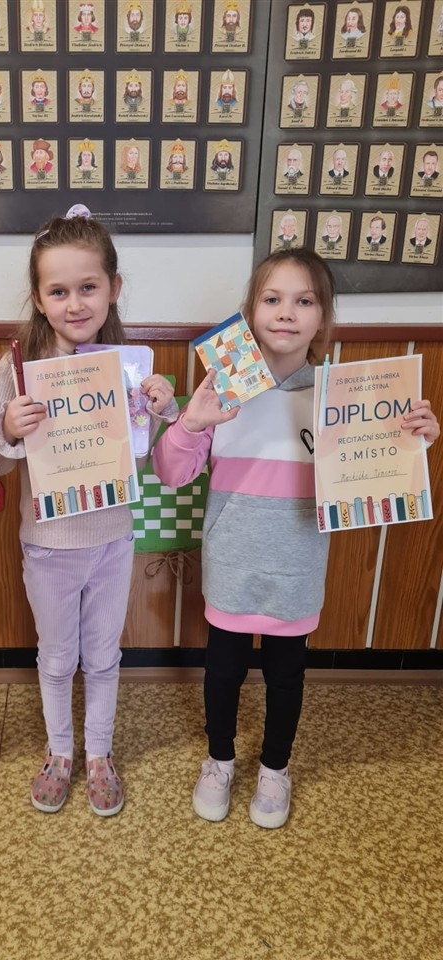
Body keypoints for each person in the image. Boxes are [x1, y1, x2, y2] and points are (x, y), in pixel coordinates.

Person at [152, 247, 440, 829]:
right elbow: (171, 473)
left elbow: (376, 478)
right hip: (232, 564)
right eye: (272, 298)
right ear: (250, 312)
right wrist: (190, 423)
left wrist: (411, 443)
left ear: (323, 317)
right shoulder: (224, 389)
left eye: (304, 300)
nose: (286, 312)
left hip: (298, 568)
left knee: (286, 676)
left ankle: (275, 769)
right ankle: (219, 760)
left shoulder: (341, 398)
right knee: (223, 672)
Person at [0, 205, 176, 817]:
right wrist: (9, 429)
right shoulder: (18, 367)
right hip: (48, 544)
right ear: (39, 298)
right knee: (55, 657)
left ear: (113, 288)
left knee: (102, 656)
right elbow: (1, 464)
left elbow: (140, 460)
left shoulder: (129, 366)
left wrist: (159, 410)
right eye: (59, 291)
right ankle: (60, 751)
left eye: (88, 287)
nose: (75, 303)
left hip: (113, 538)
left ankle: (98, 752)